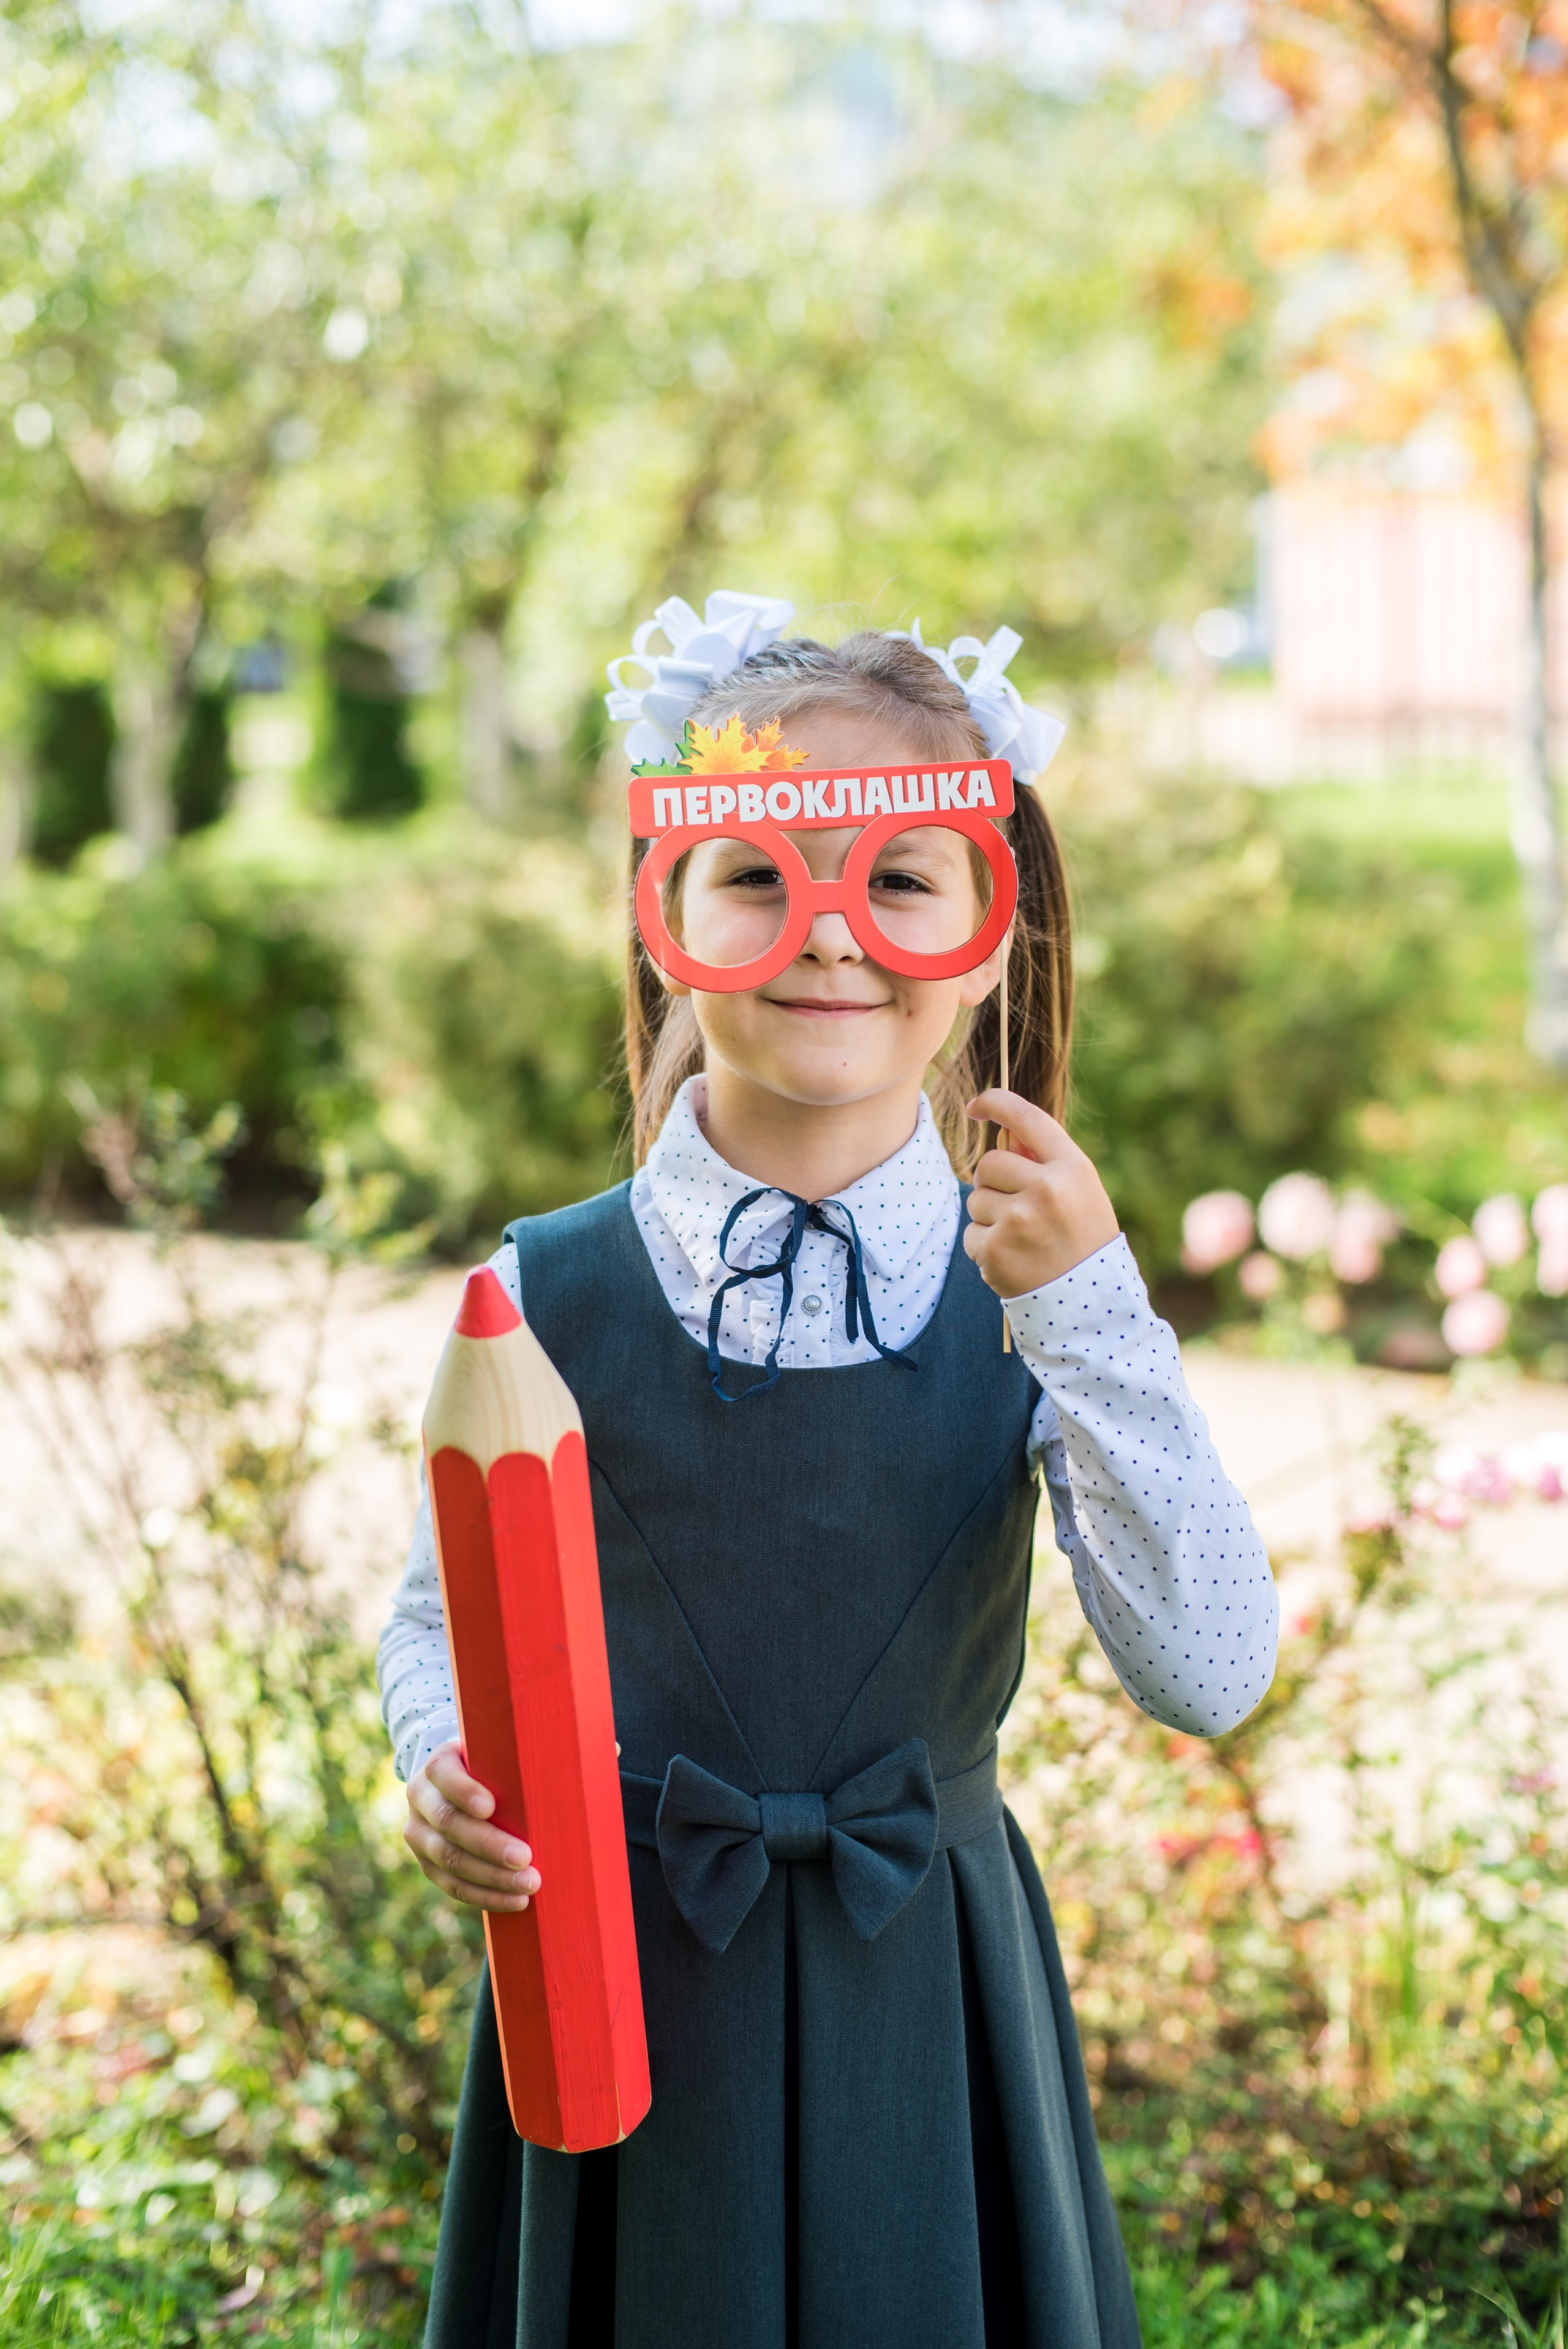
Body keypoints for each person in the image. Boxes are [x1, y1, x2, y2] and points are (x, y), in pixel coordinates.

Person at [379, 598, 1278, 2349]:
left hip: (927, 1997)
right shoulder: (542, 1292)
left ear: (993, 933)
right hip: (624, 1992)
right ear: (668, 921)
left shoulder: (1038, 1292)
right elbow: (441, 1611)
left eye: (901, 877)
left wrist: (1095, 1318)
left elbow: (1211, 1669)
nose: (830, 933)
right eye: (760, 875)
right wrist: (441, 1760)